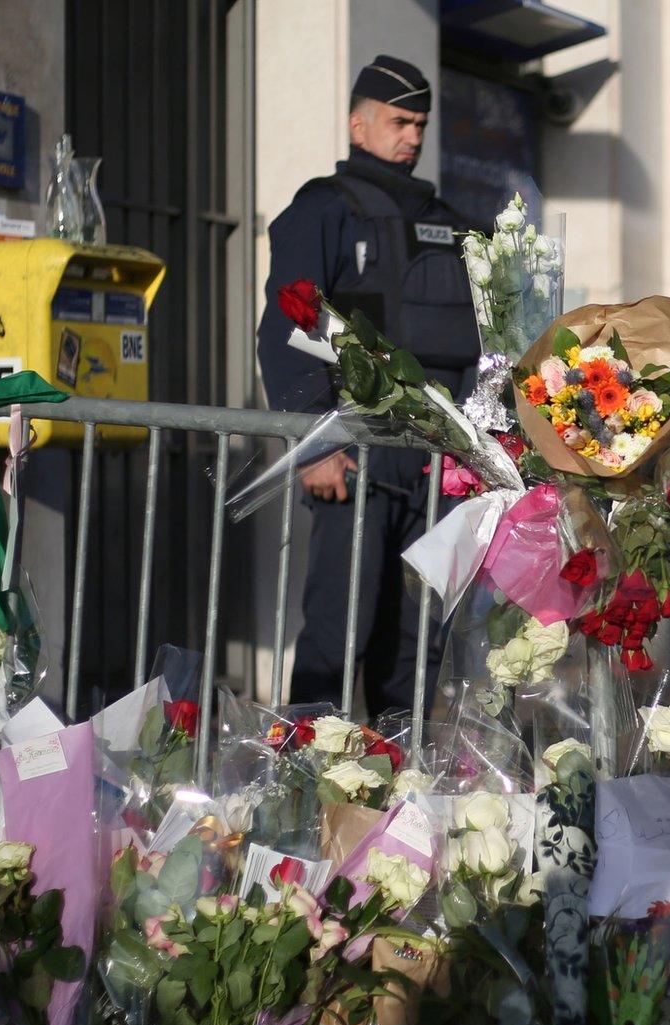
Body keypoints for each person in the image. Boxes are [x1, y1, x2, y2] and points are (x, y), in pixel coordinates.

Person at [256, 55, 480, 716]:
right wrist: (314, 442)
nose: (411, 136)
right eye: (398, 121)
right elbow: (288, 321)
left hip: (437, 469)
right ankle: (301, 792)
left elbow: (479, 339)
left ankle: (398, 795)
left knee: (415, 652)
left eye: (420, 124)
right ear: (360, 124)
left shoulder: (448, 220)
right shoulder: (326, 209)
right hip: (356, 461)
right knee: (336, 635)